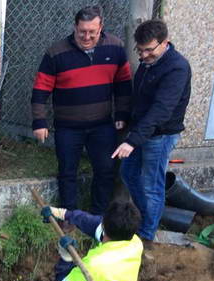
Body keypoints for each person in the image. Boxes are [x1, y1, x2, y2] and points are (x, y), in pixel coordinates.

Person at [31, 5, 131, 219]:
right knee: (67, 172)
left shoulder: (115, 47)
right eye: (82, 31)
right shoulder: (56, 53)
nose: (86, 36)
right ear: (75, 27)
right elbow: (41, 89)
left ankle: (97, 218)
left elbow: (123, 84)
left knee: (105, 171)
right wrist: (39, 121)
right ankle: (70, 216)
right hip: (68, 127)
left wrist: (122, 114)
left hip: (102, 125)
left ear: (101, 27)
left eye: (91, 32)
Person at [111, 20, 191, 245]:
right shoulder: (149, 63)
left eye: (149, 49)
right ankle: (146, 218)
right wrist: (126, 120)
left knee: (151, 184)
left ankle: (146, 236)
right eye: (140, 49)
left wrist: (132, 141)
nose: (144, 55)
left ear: (165, 43)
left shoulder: (177, 68)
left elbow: (161, 110)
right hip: (141, 131)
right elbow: (139, 98)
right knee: (128, 174)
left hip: (161, 134)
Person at [41, 200, 143, 281]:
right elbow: (91, 223)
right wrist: (64, 214)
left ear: (104, 224)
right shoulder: (136, 243)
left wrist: (65, 257)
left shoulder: (95, 264)